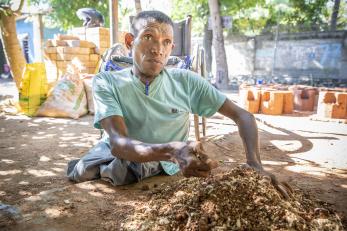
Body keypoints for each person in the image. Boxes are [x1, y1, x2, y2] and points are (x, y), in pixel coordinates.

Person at [67, 10, 291, 198]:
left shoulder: (186, 81)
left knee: (120, 172)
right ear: (129, 41)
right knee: (82, 171)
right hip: (122, 150)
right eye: (148, 38)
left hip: (166, 161)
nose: (158, 49)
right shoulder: (107, 81)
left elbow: (243, 116)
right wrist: (174, 150)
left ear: (171, 49)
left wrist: (255, 163)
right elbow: (118, 144)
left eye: (166, 42)